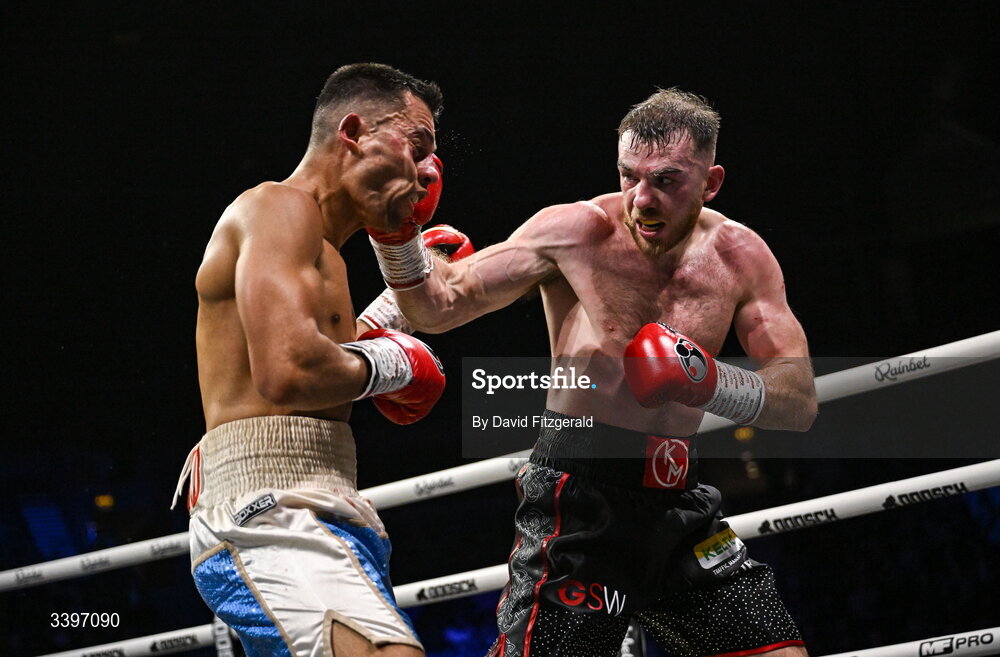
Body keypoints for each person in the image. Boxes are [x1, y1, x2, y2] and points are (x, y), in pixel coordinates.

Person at [369, 89, 818, 657]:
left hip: (680, 502)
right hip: (581, 500)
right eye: (629, 176)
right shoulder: (575, 232)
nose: (642, 199)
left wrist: (709, 382)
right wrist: (397, 237)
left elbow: (798, 401)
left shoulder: (743, 257)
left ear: (711, 183)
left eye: (667, 181)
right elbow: (437, 306)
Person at [173, 63, 457, 657]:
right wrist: (397, 360)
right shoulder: (277, 207)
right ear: (353, 132)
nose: (429, 170)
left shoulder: (321, 251)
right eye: (417, 145)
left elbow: (317, 354)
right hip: (272, 509)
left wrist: (390, 317)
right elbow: (288, 372)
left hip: (323, 503)